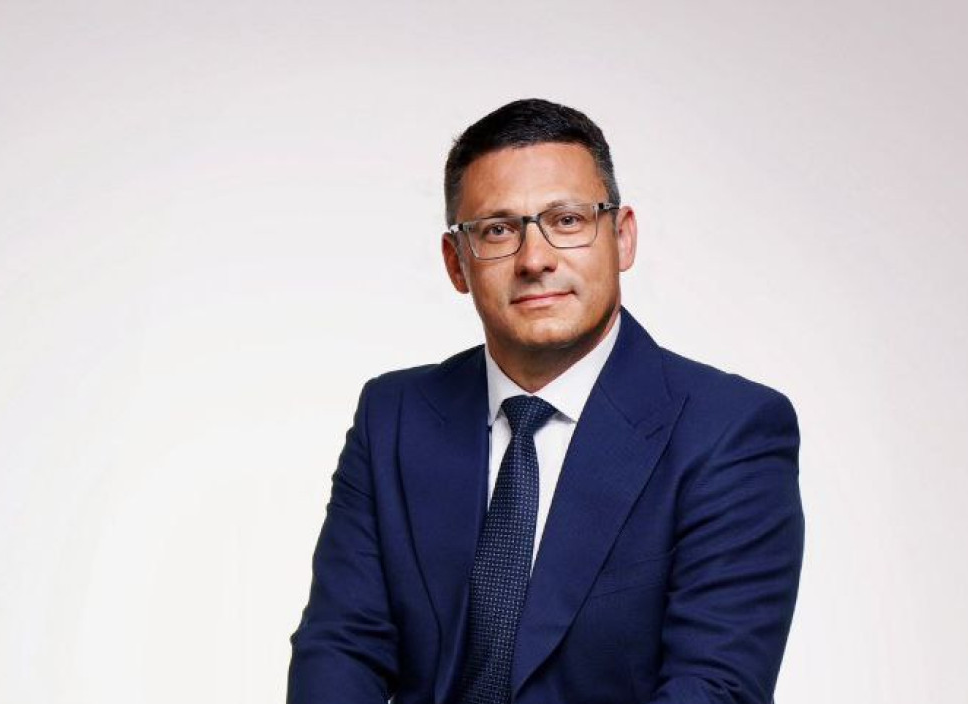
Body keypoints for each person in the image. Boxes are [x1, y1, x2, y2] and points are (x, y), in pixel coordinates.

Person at [287, 98, 804, 704]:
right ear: (457, 263)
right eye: (498, 230)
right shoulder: (393, 417)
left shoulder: (730, 432)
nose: (535, 259)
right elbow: (341, 650)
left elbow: (714, 687)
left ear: (622, 237)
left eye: (567, 220)